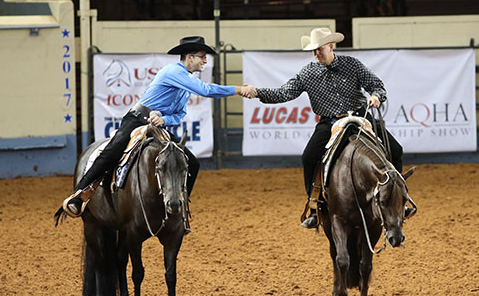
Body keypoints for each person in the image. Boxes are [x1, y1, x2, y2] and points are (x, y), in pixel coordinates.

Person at [63, 35, 254, 217]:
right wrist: (239, 89)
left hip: (157, 126)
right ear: (190, 57)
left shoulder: (185, 83)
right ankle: (79, 195)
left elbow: (179, 115)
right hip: (136, 119)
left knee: (192, 163)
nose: (204, 61)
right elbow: (205, 90)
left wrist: (163, 119)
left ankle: (180, 205)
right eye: (202, 57)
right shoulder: (174, 72)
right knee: (113, 151)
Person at [243, 28, 405, 229]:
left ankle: (397, 198)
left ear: (330, 46)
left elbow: (376, 85)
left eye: (318, 49)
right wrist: (256, 92)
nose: (315, 54)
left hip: (360, 116)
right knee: (309, 157)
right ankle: (314, 207)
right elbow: (284, 93)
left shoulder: (351, 65)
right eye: (313, 50)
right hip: (329, 122)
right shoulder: (308, 73)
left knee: (396, 150)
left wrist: (376, 96)